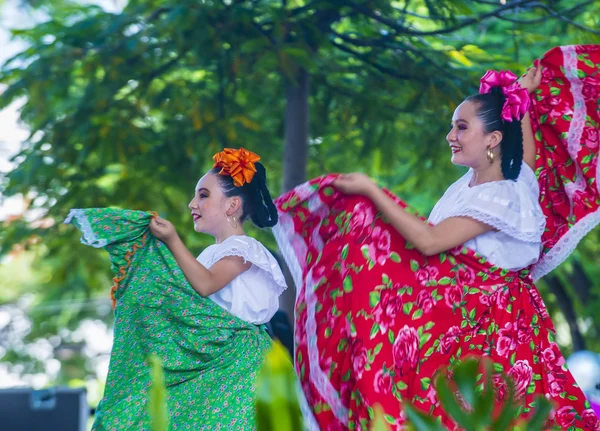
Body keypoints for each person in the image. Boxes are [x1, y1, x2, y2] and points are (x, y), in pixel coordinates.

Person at [273, 45, 600, 430]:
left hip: (489, 334)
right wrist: (521, 101)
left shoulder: (504, 195)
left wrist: (371, 190)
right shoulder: (486, 185)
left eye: (462, 127)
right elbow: (526, 156)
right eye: (453, 125)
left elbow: (428, 242)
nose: (451, 135)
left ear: (493, 139)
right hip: (462, 327)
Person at [67, 147, 287, 430]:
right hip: (214, 358)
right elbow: (184, 298)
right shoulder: (211, 254)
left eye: (203, 195)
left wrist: (172, 240)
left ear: (231, 206)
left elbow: (205, 285)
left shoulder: (244, 249)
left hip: (239, 364)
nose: (192, 204)